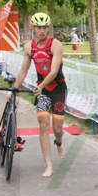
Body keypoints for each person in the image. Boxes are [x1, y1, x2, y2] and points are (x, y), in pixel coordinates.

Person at [13, 12, 68, 178]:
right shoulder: (29, 47)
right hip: (42, 91)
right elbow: (23, 70)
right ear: (33, 27)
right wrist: (14, 88)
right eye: (39, 27)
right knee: (44, 125)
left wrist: (42, 85)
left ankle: (58, 142)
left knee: (58, 129)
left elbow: (53, 71)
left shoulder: (56, 45)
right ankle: (49, 165)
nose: (42, 31)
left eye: (45, 27)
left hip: (57, 88)